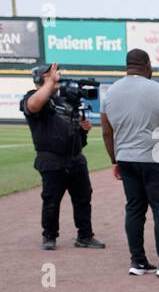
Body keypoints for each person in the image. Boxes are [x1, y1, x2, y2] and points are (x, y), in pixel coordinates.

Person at [99, 49, 159, 278]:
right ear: (147, 65)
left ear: (127, 66)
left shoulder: (111, 92)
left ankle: (138, 262)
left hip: (126, 159)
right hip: (156, 159)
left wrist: (115, 160)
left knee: (134, 209)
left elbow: (106, 132)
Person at [21, 63, 105, 251]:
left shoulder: (64, 102)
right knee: (51, 201)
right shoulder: (32, 98)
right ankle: (49, 236)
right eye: (51, 74)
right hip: (51, 160)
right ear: (39, 79)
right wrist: (50, 83)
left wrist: (83, 129)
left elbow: (77, 133)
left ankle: (84, 236)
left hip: (75, 158)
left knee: (83, 198)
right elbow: (33, 106)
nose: (56, 76)